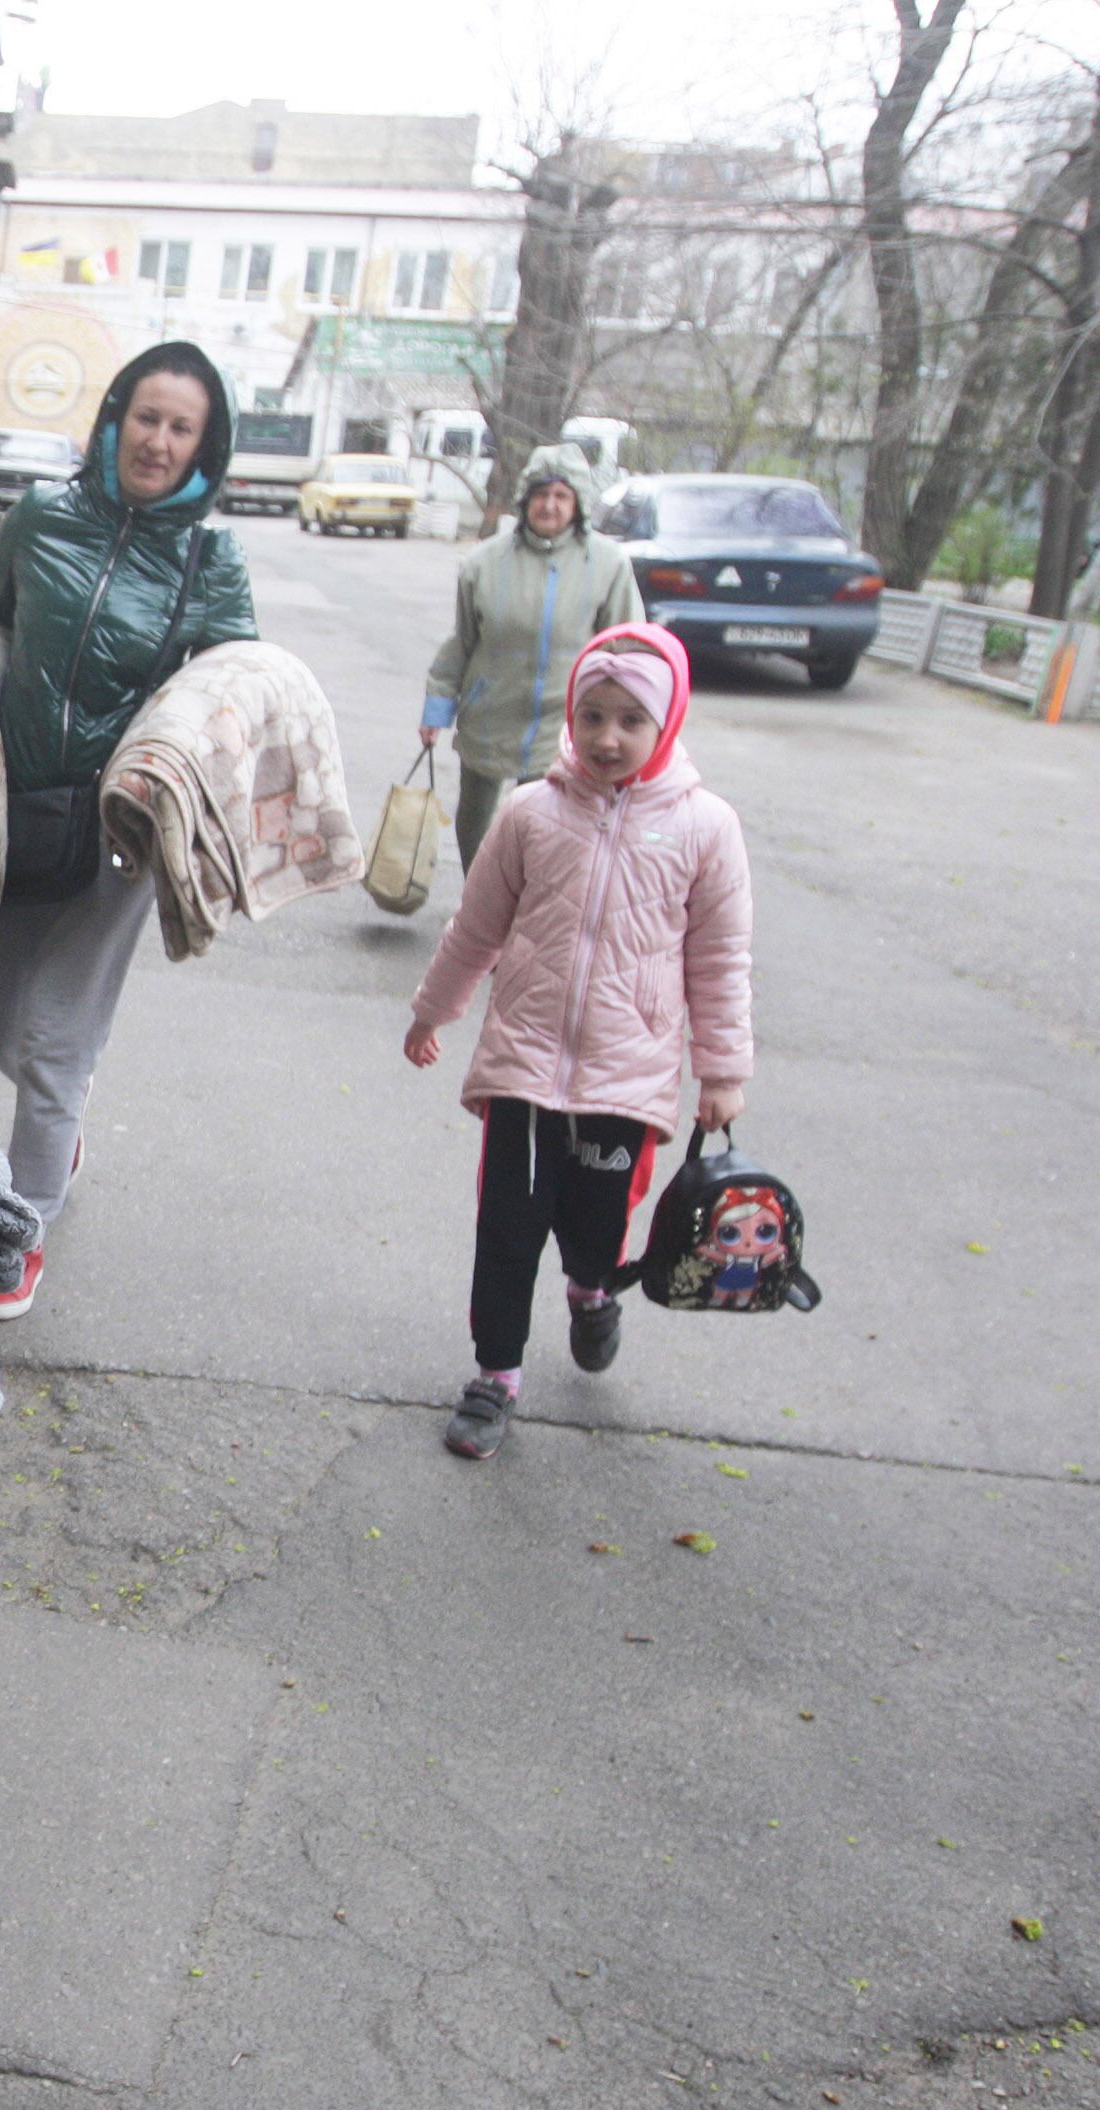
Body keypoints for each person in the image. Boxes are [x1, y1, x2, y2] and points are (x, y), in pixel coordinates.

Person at [402, 623, 753, 1461]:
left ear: (665, 725)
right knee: (508, 1231)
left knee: (597, 1229)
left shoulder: (706, 828)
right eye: (591, 715)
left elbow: (721, 957)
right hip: (523, 1067)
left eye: (630, 721)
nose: (605, 737)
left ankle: (593, 1291)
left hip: (624, 1079)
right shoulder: (531, 812)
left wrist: (722, 1071)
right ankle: (496, 1375)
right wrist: (433, 1010)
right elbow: (476, 926)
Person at [0, 342, 256, 1320]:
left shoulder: (211, 562)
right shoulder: (41, 518)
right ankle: (65, 1119)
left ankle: (17, 1228)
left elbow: (230, 697)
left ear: (204, 447)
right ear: (114, 416)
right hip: (12, 808)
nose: (158, 442)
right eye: (147, 417)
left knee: (51, 1041)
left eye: (182, 428)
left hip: (116, 836)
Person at [419, 443, 641, 869]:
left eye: (561, 496)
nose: (550, 506)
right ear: (525, 500)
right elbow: (462, 641)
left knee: (548, 827)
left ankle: (531, 913)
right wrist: (436, 710)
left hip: (564, 722)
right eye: (541, 495)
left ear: (577, 504)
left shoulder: (609, 565)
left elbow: (627, 649)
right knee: (476, 825)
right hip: (491, 711)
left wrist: (630, 724)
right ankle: (480, 905)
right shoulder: (484, 563)